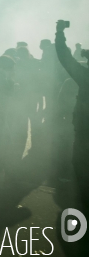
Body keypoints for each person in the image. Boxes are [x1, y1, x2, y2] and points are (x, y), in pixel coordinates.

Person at [55, 20, 89, 210]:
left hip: (85, 128)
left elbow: (64, 56)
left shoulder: (85, 76)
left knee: (81, 163)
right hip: (84, 127)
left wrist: (59, 32)